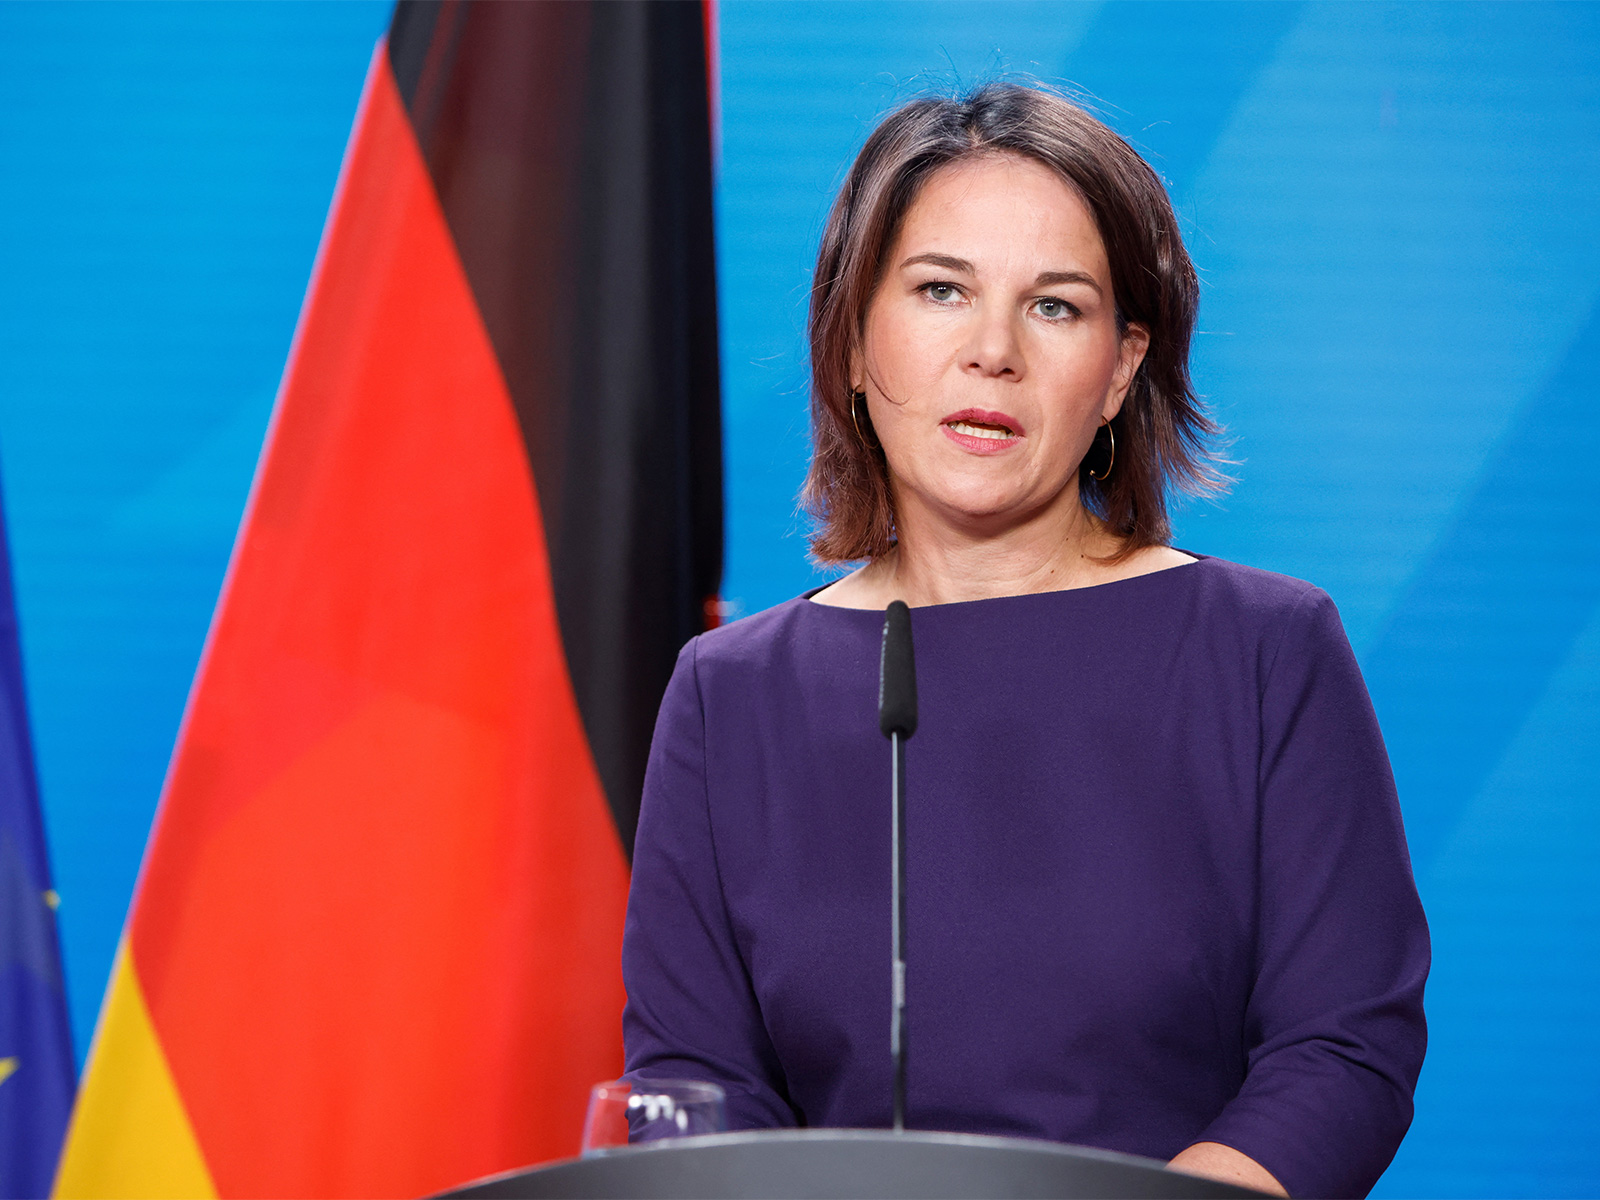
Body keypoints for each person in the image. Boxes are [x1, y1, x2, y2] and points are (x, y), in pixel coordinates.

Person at [621, 83, 1429, 1199]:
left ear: (1121, 369)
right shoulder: (730, 695)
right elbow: (694, 1084)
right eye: (940, 290)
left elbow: (1342, 1048)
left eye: (1054, 306)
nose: (991, 350)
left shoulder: (1264, 651)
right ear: (852, 340)